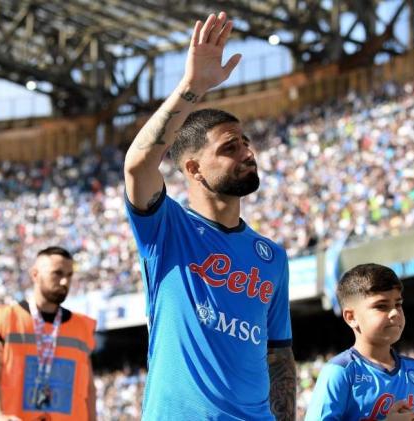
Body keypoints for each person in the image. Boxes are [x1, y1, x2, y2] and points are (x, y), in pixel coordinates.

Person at [123, 11, 296, 420]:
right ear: (193, 168)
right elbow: (137, 165)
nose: (247, 153)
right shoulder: (166, 228)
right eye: (230, 147)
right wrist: (192, 87)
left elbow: (279, 356)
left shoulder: (272, 257)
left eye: (246, 143)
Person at [305, 263, 414, 421]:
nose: (395, 312)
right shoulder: (339, 371)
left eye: (398, 304)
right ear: (351, 317)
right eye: (381, 306)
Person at [0, 247, 97, 421]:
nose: (65, 281)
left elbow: (89, 389)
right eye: (57, 273)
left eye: (69, 275)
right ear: (35, 274)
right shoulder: (5, 319)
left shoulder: (81, 327)